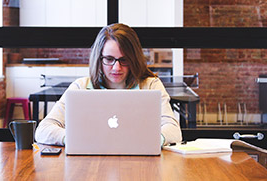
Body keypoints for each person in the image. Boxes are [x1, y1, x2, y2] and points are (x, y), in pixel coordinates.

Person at [34, 23, 182, 146]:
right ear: (99, 58)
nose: (116, 68)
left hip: (140, 162)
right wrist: (74, 139)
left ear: (134, 59)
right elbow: (43, 130)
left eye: (124, 60)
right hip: (89, 164)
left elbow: (174, 131)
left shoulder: (151, 86)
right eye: (109, 59)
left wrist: (148, 142)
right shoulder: (80, 87)